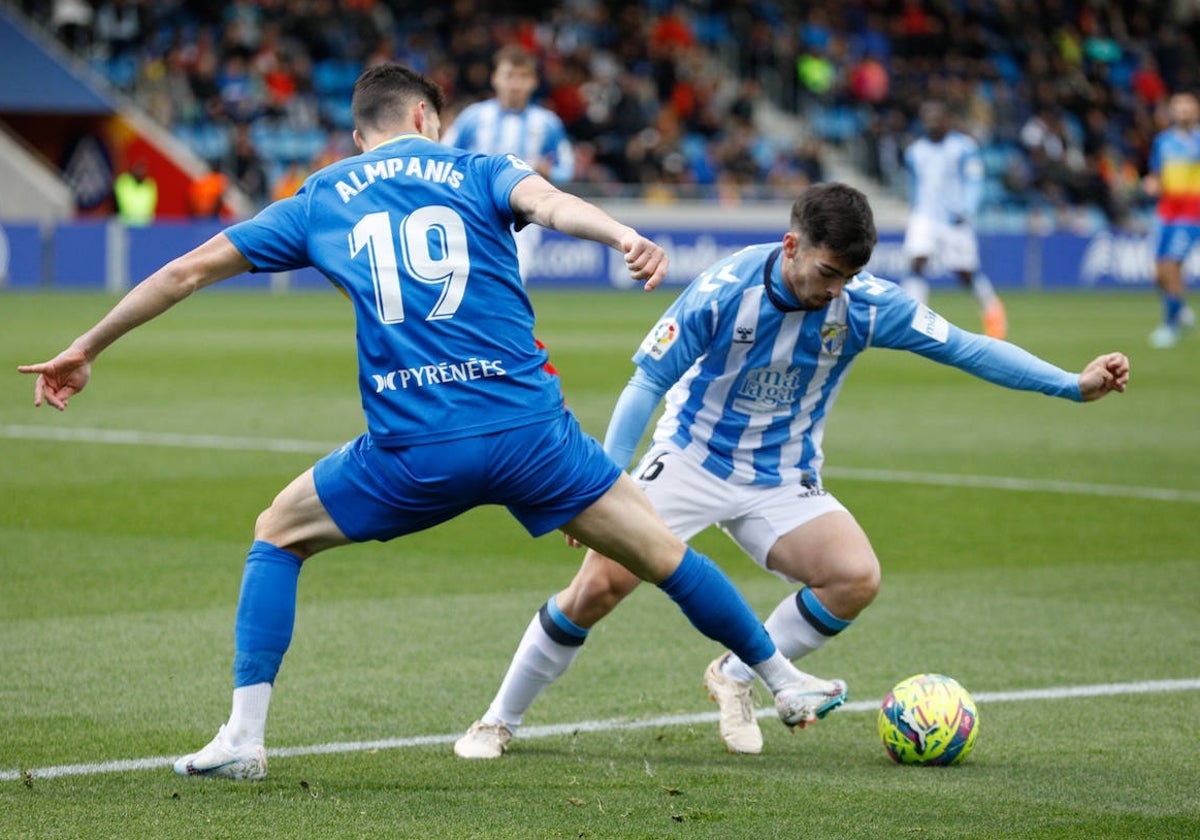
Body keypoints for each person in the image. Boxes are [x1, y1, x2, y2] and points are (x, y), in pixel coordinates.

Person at [17, 63, 835, 781]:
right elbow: (550, 206)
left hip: (415, 450)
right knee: (663, 553)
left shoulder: (320, 196)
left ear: (358, 130)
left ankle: (243, 736)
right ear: (423, 118)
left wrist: (86, 346)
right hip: (530, 437)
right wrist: (625, 234)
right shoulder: (476, 167)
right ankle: (782, 679)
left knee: (278, 533)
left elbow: (190, 270)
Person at [453, 182, 1130, 760]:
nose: (835, 288)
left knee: (854, 577)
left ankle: (734, 672)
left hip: (781, 476)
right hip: (689, 459)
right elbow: (645, 383)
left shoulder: (863, 305)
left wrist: (1072, 385)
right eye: (827, 273)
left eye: (847, 277)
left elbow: (968, 348)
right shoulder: (722, 290)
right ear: (790, 246)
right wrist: (602, 481)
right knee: (599, 588)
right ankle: (498, 720)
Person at [441, 45, 575, 280]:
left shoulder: (547, 123)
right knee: (466, 281)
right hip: (473, 211)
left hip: (523, 216)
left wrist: (549, 171)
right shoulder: (473, 117)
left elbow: (567, 167)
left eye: (523, 77)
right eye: (509, 76)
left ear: (533, 82)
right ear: (495, 78)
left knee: (513, 281)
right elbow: (442, 157)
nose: (515, 84)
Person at [901, 101, 1007, 340]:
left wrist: (967, 209)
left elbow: (974, 179)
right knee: (916, 262)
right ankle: (913, 322)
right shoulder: (915, 151)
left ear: (948, 121)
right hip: (925, 215)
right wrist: (915, 207)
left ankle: (993, 311)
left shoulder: (963, 147)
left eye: (937, 119)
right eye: (928, 120)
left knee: (965, 273)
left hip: (954, 218)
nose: (932, 124)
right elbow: (916, 184)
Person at [1142, 91, 1200, 349]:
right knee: (1158, 273)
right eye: (1179, 108)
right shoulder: (1163, 141)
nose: (1183, 112)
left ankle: (1170, 324)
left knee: (1172, 265)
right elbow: (1156, 173)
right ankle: (1181, 308)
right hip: (1166, 212)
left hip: (1191, 213)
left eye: (1188, 108)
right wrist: (1152, 183)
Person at [113, 159, 158, 226]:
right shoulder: (123, 183)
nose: (140, 173)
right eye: (138, 169)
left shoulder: (150, 185)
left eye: (142, 170)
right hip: (125, 222)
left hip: (145, 223)